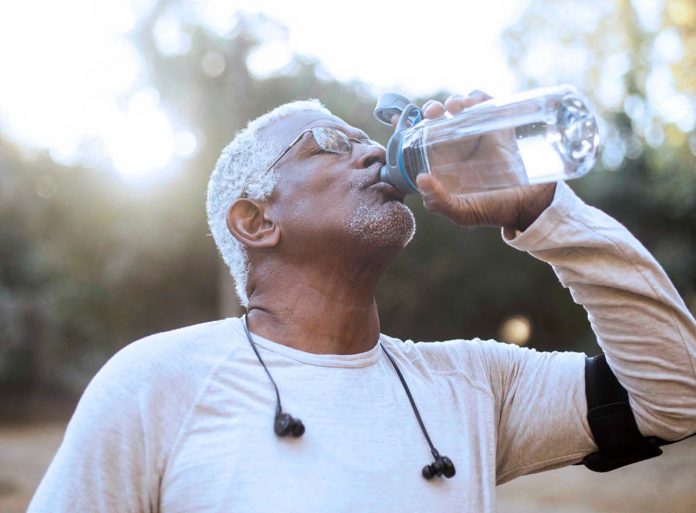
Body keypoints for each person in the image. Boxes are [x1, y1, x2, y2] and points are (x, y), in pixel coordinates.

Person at [28, 92, 696, 513]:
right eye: (331, 143)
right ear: (256, 220)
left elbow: (678, 392)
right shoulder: (157, 382)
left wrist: (546, 211)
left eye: (365, 137)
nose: (375, 151)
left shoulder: (471, 383)